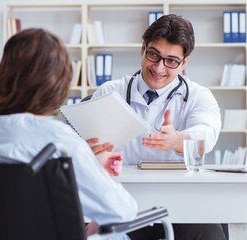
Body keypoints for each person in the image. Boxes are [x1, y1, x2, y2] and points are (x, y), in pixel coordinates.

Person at [0, 28, 136, 240]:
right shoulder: (58, 140)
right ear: (56, 85)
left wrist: (83, 165)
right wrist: (91, 169)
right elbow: (121, 211)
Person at [88, 14, 227, 240]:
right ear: (143, 48)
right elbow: (86, 148)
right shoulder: (109, 93)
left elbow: (206, 136)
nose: (160, 68)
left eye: (171, 60)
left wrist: (177, 140)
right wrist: (87, 150)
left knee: (209, 235)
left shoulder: (199, 97)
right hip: (123, 205)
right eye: (154, 55)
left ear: (184, 63)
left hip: (182, 206)